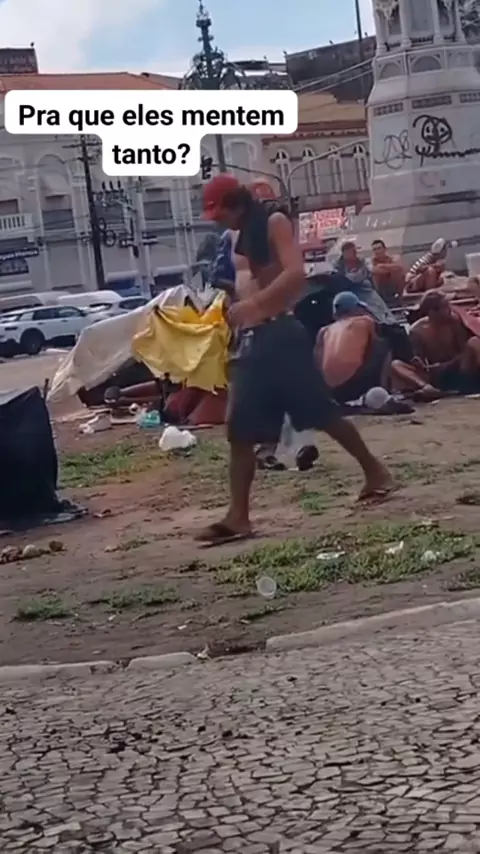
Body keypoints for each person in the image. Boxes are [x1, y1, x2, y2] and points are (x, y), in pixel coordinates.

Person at [196, 174, 394, 545]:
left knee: (321, 412)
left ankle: (375, 471)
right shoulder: (236, 237)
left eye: (219, 212)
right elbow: (241, 283)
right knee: (239, 428)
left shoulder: (273, 222)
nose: (218, 220)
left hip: (280, 334)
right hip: (251, 340)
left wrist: (255, 304)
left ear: (235, 204)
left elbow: (295, 273)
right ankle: (238, 516)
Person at [317, 291, 440, 402]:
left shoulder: (324, 331)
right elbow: (385, 335)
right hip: (354, 386)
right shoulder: (365, 321)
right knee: (384, 342)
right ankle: (385, 389)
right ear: (356, 308)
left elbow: (317, 361)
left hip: (332, 392)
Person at [409, 290, 480, 392]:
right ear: (432, 312)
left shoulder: (454, 321)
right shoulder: (417, 331)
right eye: (445, 306)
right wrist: (432, 368)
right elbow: (420, 364)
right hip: (440, 374)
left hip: (459, 367)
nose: (450, 308)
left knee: (474, 342)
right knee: (396, 365)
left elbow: (463, 350)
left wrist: (452, 362)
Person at [371, 239, 405, 306]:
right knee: (376, 275)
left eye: (379, 248)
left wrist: (382, 266)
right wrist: (390, 269)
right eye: (374, 249)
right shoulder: (371, 261)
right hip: (379, 287)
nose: (377, 251)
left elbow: (400, 267)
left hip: (392, 285)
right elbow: (374, 270)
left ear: (385, 249)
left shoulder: (392, 258)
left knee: (399, 273)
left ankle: (399, 297)